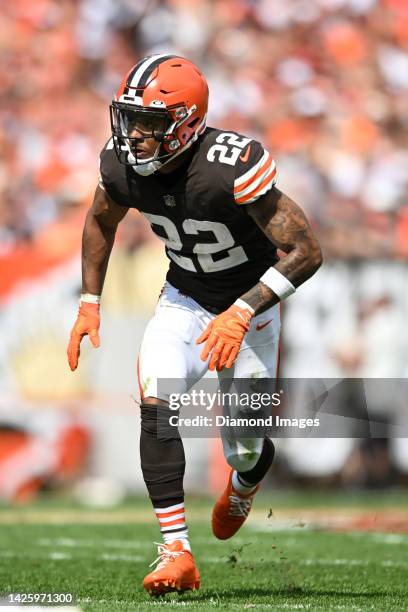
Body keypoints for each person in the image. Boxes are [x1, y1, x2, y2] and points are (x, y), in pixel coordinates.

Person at [67, 54, 322, 597]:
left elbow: (306, 250)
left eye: (150, 124)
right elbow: (99, 220)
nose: (135, 135)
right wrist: (90, 300)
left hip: (251, 311)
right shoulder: (119, 165)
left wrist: (244, 309)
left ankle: (246, 481)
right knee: (158, 400)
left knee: (245, 448)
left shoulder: (229, 165)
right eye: (130, 119)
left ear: (185, 122)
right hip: (183, 299)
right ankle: (176, 551)